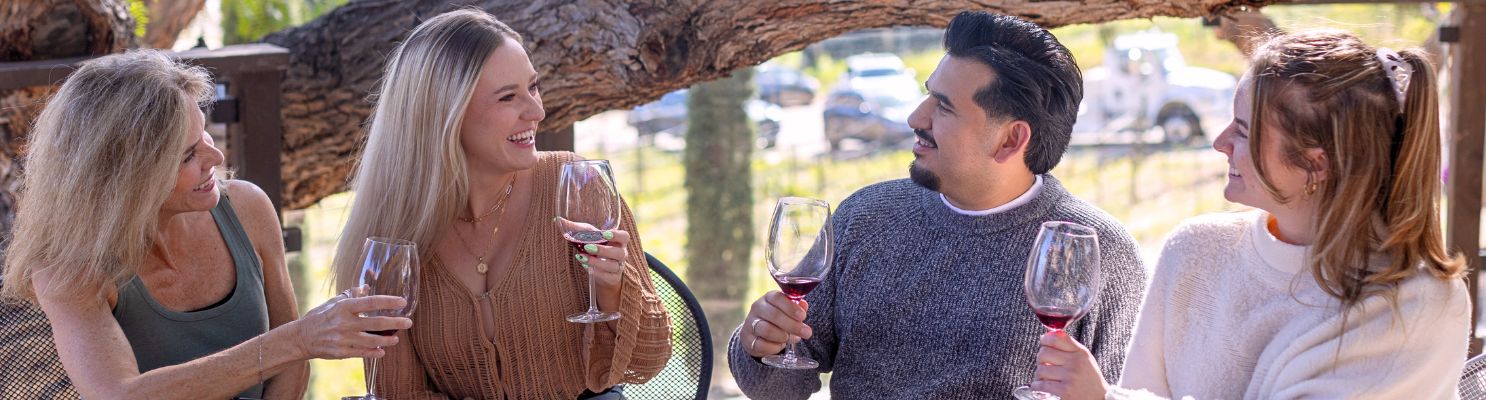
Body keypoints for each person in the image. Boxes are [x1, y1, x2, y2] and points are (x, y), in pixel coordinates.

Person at [727, 11, 1149, 399]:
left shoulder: (1100, 252)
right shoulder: (866, 216)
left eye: (943, 107)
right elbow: (782, 385)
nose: (915, 116)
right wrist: (759, 343)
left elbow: (1117, 391)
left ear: (1011, 140)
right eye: (928, 96)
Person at [1030, 30, 1470, 399]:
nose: (1220, 142)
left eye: (1242, 130)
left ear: (1315, 164)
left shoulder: (1415, 303)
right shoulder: (1195, 251)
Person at [0, 50, 412, 400]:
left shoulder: (247, 208)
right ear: (123, 179)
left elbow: (290, 371)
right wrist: (298, 339)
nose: (214, 159)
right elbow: (121, 395)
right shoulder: (68, 267)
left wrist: (299, 343)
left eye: (206, 135)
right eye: (187, 156)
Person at [330, 9, 671, 399]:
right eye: (508, 97)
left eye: (533, 88)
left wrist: (611, 287)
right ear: (445, 114)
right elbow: (398, 392)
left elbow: (649, 358)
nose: (537, 111)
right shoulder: (392, 237)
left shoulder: (574, 185)